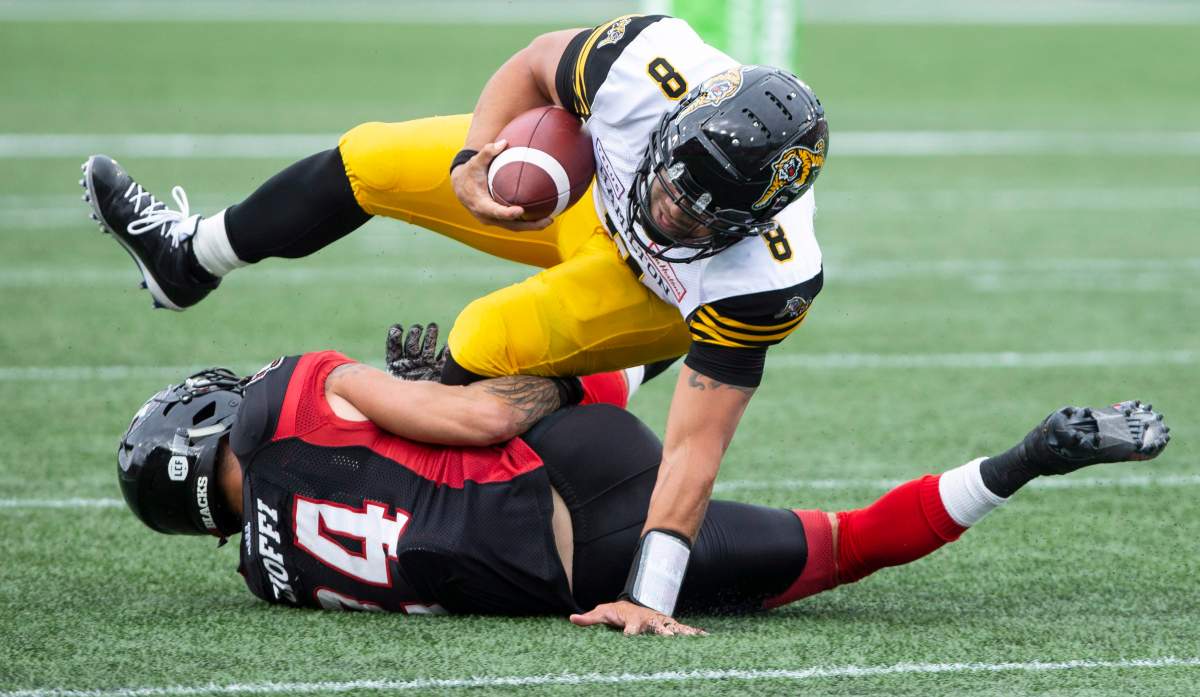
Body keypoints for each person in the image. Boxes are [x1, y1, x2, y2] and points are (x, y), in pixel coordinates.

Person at [83, 14, 829, 632]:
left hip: (649, 293)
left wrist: (650, 595)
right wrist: (476, 155)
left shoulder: (768, 278)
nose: (669, 211)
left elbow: (697, 443)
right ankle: (190, 255)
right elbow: (535, 66)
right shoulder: (643, 66)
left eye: (700, 213)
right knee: (372, 157)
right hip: (583, 192)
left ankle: (457, 460)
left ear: (758, 220)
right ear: (675, 120)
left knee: (486, 337)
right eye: (673, 185)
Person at [116, 329, 1171, 635]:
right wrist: (481, 379)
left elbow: (387, 490)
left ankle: (1027, 458)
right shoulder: (289, 390)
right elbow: (483, 420)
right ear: (207, 421)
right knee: (535, 349)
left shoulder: (271, 580)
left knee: (845, 545)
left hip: (593, 581)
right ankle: (704, 309)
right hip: (577, 472)